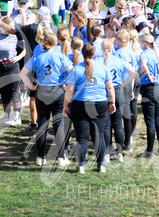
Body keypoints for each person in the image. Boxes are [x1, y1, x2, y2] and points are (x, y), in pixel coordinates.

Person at [20, 32, 72, 167]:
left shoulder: (37, 57)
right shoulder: (61, 56)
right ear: (56, 43)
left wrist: (31, 86)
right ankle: (61, 157)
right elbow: (73, 71)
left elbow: (22, 73)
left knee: (42, 124)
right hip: (58, 91)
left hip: (41, 91)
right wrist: (66, 82)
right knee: (58, 124)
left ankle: (40, 157)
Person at [63, 42, 116, 174]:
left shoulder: (76, 69)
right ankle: (101, 164)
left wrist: (65, 105)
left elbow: (70, 89)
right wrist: (112, 102)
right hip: (100, 104)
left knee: (82, 137)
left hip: (80, 104)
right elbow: (110, 87)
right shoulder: (103, 68)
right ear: (94, 53)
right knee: (99, 136)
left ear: (82, 53)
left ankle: (81, 166)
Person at [0, 17, 26, 126]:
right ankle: (7, 116)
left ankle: (17, 117)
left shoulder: (15, 36)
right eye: (9, 26)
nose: (11, 29)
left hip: (12, 66)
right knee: (4, 92)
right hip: (0, 67)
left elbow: (26, 49)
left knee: (14, 92)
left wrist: (18, 57)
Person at [102, 38, 136, 163]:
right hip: (117, 90)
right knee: (118, 123)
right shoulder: (119, 60)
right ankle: (119, 152)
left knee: (106, 124)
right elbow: (134, 72)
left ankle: (107, 152)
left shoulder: (99, 61)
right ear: (113, 48)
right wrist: (124, 83)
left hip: (104, 91)